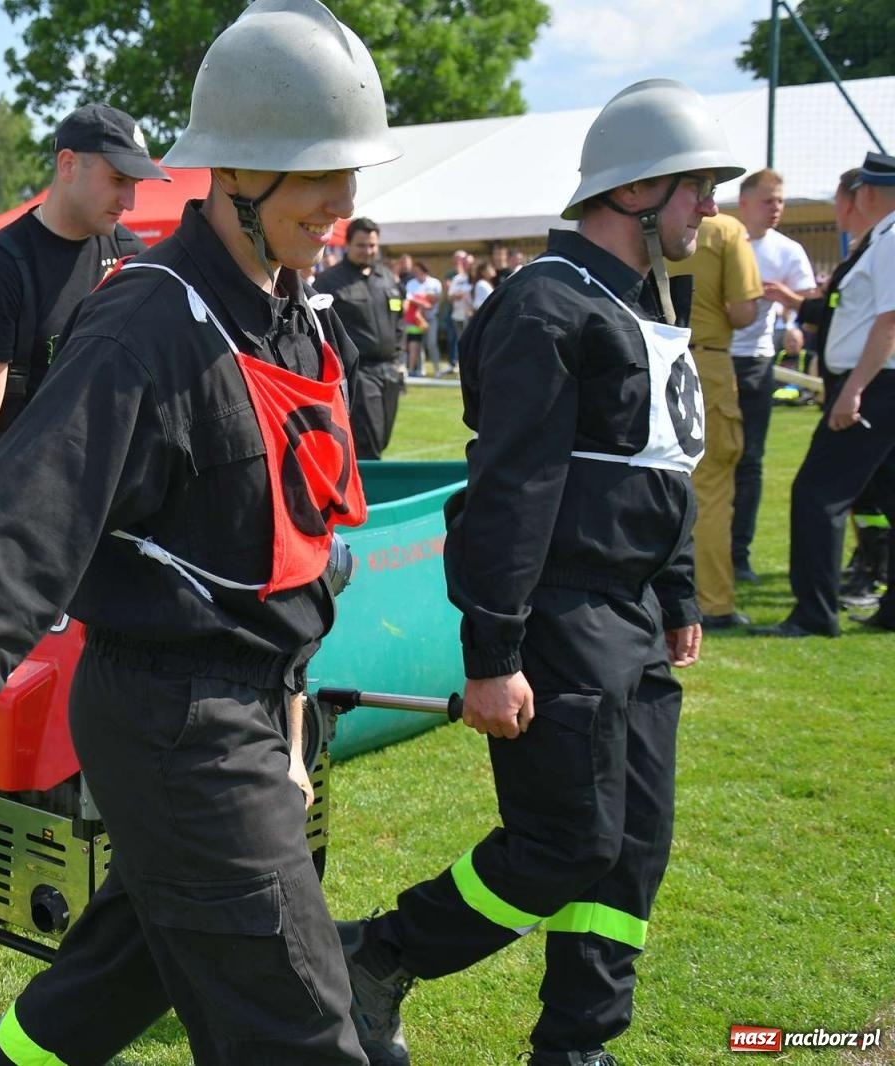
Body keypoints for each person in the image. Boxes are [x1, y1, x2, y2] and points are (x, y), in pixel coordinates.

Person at [0, 2, 396, 1062]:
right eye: (320, 173)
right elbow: (4, 547)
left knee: (105, 985)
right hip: (177, 729)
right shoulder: (145, 326)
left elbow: (275, 556)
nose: (344, 203)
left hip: (234, 714)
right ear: (236, 174)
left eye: (347, 174)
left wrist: (287, 717)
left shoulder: (281, 308)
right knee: (309, 1032)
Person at [341, 78, 732, 1066]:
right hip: (559, 617)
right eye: (698, 188)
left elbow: (663, 468)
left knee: (630, 847)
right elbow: (510, 491)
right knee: (564, 845)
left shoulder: (635, 302)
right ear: (635, 192)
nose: (709, 210)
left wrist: (677, 592)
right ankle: (375, 957)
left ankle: (575, 1045)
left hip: (633, 615)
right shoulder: (543, 308)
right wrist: (492, 652)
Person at [0, 102, 168, 512]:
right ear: (67, 164)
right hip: (21, 510)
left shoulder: (133, 256)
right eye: (118, 178)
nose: (130, 201)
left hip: (109, 512)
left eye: (135, 183)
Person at [752, 151, 895, 637]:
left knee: (817, 494)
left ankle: (814, 614)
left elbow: (889, 323)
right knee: (887, 494)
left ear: (867, 194)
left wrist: (853, 391)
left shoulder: (891, 240)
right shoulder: (880, 240)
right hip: (873, 382)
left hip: (874, 384)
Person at [667, 210, 761, 628]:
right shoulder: (725, 230)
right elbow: (744, 311)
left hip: (645, 357)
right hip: (704, 363)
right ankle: (713, 600)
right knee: (711, 487)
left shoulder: (637, 219)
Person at [727, 169, 819, 582]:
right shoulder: (721, 240)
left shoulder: (788, 250)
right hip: (711, 358)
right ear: (744, 203)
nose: (777, 208)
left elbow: (810, 303)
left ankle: (738, 554)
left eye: (780, 200)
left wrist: (789, 306)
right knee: (702, 461)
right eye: (769, 201)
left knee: (750, 461)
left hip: (756, 362)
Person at [314, 215, 407, 458]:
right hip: (359, 371)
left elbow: (398, 318)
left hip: (389, 370)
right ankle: (370, 493)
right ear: (348, 245)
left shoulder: (386, 278)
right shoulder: (329, 282)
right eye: (362, 245)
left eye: (372, 245)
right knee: (369, 441)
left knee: (383, 436)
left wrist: (399, 357)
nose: (368, 251)